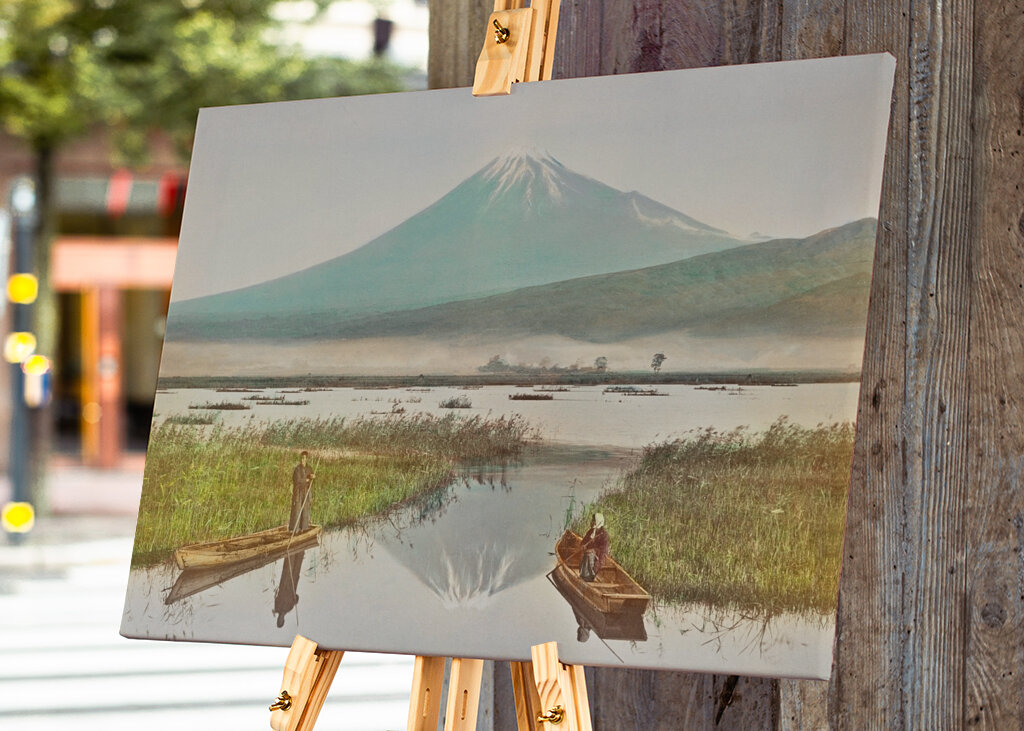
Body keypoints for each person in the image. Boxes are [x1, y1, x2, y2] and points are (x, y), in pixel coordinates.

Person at [289, 450, 315, 533]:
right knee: (297, 509)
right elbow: (297, 480)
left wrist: (312, 476)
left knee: (305, 509)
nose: (303, 460)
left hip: (306, 491)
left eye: (304, 458)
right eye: (301, 458)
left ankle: (304, 529)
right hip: (298, 492)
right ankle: (294, 530)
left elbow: (311, 476)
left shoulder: (309, 468)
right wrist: (306, 480)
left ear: (306, 459)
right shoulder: (297, 469)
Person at [579, 512, 609, 582]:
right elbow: (583, 542)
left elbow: (604, 551)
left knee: (590, 554)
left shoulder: (604, 535)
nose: (592, 522)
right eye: (592, 520)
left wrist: (594, 551)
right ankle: (585, 575)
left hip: (598, 558)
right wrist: (583, 546)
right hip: (588, 557)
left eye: (593, 520)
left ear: (598, 522)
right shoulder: (591, 531)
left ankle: (589, 576)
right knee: (588, 554)